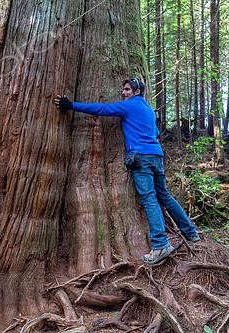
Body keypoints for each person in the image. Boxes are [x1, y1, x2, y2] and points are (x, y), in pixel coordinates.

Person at [54, 78, 200, 266]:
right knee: (164, 196)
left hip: (142, 158)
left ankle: (161, 244)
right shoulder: (148, 109)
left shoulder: (129, 106)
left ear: (137, 91)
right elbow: (155, 132)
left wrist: (71, 105)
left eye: (127, 90)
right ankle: (190, 233)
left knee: (149, 198)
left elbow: (102, 110)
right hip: (157, 156)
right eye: (123, 90)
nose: (123, 93)